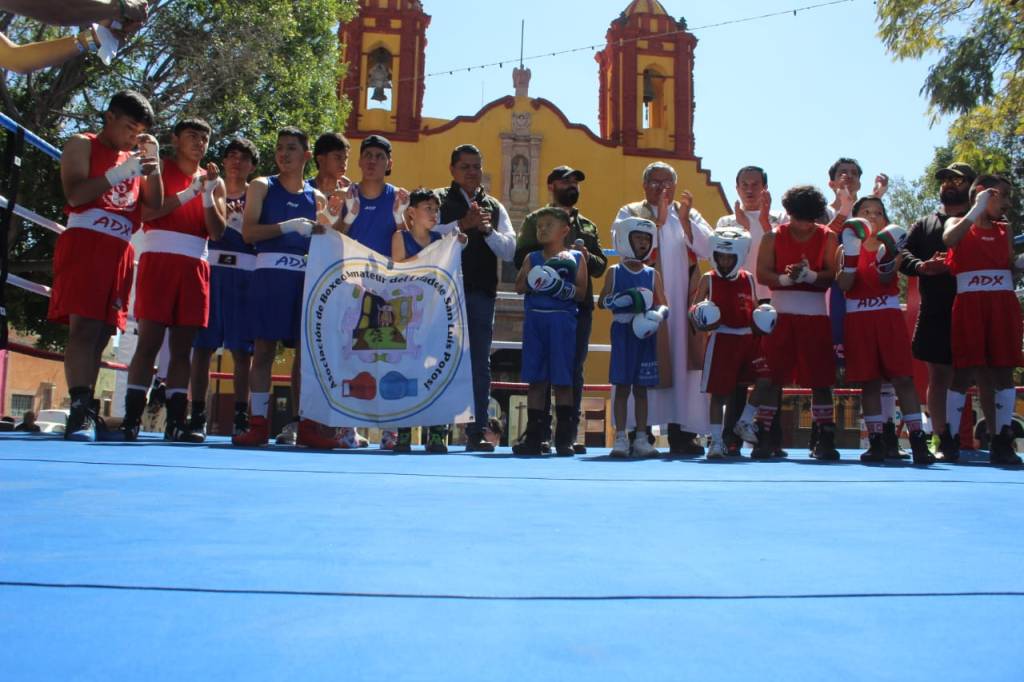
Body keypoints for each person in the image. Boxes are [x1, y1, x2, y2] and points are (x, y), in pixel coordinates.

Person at [49, 90, 162, 440]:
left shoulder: (134, 159)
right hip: (85, 242)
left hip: (120, 250)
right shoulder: (82, 144)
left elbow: (155, 207)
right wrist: (122, 171)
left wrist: (153, 165)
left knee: (101, 334)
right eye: (129, 127)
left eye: (139, 131)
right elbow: (75, 194)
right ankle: (80, 409)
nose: (133, 137)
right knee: (83, 328)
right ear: (110, 117)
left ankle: (85, 404)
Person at [114, 118, 225, 441]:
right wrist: (190, 192)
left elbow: (217, 232)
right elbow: (150, 212)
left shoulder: (213, 181)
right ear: (176, 139)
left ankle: (176, 421)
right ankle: (131, 417)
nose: (199, 143)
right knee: (148, 342)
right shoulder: (157, 168)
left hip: (195, 264)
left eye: (204, 138)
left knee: (182, 348)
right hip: (159, 258)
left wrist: (204, 195)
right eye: (192, 136)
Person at [231, 127, 339, 449]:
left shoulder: (317, 198)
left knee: (306, 356)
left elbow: (327, 243)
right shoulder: (262, 186)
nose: (283, 153)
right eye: (279, 148)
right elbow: (248, 233)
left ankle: (304, 422)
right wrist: (287, 227)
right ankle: (258, 423)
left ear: (306, 155)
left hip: (303, 280)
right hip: (268, 275)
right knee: (263, 350)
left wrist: (338, 219)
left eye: (291, 148)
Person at [614, 162, 713, 455]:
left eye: (667, 183)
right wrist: (656, 222)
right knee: (641, 362)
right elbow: (621, 244)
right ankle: (637, 432)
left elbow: (708, 249)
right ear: (644, 185)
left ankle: (682, 432)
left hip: (682, 305)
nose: (661, 188)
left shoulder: (687, 214)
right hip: (645, 303)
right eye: (655, 182)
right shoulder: (630, 212)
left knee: (682, 363)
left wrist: (683, 221)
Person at [900, 162, 995, 453]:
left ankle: (997, 437)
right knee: (938, 375)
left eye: (957, 179)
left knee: (985, 373)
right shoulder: (925, 223)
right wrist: (922, 266)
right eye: (944, 180)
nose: (949, 185)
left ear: (972, 186)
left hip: (977, 308)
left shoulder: (986, 220)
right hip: (936, 310)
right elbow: (902, 254)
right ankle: (944, 436)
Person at [514, 166, 607, 454]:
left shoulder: (588, 225)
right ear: (551, 185)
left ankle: (567, 435)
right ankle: (537, 435)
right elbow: (521, 259)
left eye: (575, 181)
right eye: (566, 180)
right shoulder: (534, 220)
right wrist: (542, 275)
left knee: (571, 371)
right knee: (538, 376)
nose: (572, 185)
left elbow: (600, 266)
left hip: (575, 311)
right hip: (539, 312)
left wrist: (586, 257)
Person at [837, 198, 933, 464]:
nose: (873, 216)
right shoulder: (845, 248)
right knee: (869, 381)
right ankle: (876, 441)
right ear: (856, 218)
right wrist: (852, 256)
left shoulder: (891, 247)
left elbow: (885, 278)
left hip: (887, 316)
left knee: (903, 378)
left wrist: (887, 257)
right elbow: (845, 284)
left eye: (878, 213)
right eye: (866, 212)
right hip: (858, 318)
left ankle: (918, 442)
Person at [434, 144, 516, 453]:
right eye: (465, 166)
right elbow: (425, 236)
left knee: (480, 364)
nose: (472, 172)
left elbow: (509, 249)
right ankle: (437, 432)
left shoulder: (494, 206)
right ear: (452, 170)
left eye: (476, 166)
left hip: (482, 292)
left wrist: (487, 230)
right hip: (443, 292)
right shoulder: (438, 200)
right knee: (438, 358)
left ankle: (477, 430)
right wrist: (461, 226)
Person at [940, 174, 1022, 465]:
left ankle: (1001, 439)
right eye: (1002, 196)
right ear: (983, 195)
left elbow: (1010, 268)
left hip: (1002, 304)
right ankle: (949, 439)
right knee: (963, 371)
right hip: (970, 304)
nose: (1007, 203)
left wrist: (1020, 264)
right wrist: (976, 208)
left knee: (1003, 370)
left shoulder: (1005, 229)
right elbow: (949, 240)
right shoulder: (956, 224)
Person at [756, 185, 841, 459]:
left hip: (815, 316)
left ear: (817, 217)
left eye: (809, 220)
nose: (803, 226)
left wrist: (809, 276)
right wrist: (786, 278)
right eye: (797, 219)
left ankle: (824, 438)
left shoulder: (828, 237)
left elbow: (832, 276)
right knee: (771, 378)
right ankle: (765, 437)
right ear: (789, 214)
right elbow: (762, 274)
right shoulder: (772, 237)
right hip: (780, 316)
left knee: (821, 379)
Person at [337, 134, 409, 449]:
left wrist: (399, 221)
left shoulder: (399, 198)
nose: (372, 161)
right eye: (367, 155)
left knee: (390, 359)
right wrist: (348, 216)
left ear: (389, 163)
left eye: (379, 156)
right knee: (351, 359)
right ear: (359, 159)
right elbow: (329, 239)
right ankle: (347, 428)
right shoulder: (346, 195)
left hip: (387, 291)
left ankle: (390, 431)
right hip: (350, 289)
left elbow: (409, 246)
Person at [189, 137, 260, 439]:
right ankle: (197, 416)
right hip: (212, 273)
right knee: (202, 347)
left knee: (243, 353)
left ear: (252, 165)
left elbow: (258, 236)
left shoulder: (259, 196)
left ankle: (242, 418)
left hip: (245, 277)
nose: (236, 161)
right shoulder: (209, 189)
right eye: (231, 156)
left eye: (243, 157)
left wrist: (244, 225)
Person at [714, 165, 786, 454]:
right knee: (736, 375)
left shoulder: (780, 218)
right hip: (739, 302)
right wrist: (742, 227)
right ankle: (731, 438)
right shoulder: (726, 220)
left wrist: (763, 223)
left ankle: (768, 441)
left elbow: (784, 254)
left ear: (765, 187)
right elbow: (722, 260)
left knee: (771, 374)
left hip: (772, 302)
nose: (750, 189)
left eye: (755, 183)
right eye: (744, 183)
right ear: (736, 187)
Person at [691, 227, 777, 459]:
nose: (726, 261)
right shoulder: (709, 278)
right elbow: (695, 308)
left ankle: (745, 421)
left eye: (730, 256)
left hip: (749, 339)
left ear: (739, 256)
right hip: (722, 339)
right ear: (715, 255)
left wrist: (762, 316)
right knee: (718, 395)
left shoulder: (747, 278)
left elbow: (755, 305)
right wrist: (700, 315)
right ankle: (716, 442)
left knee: (766, 379)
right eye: (721, 256)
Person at [389, 187, 460, 453]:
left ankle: (438, 431)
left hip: (436, 315)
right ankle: (405, 431)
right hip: (406, 314)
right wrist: (432, 255)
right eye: (428, 208)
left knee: (437, 370)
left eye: (436, 209)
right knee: (406, 371)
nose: (433, 213)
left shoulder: (441, 239)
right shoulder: (400, 237)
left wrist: (453, 245)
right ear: (412, 213)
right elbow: (400, 267)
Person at [512, 207, 587, 455]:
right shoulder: (532, 257)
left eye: (548, 225)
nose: (542, 229)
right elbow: (520, 287)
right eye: (539, 226)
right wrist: (536, 278)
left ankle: (564, 438)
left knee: (563, 380)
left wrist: (558, 286)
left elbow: (581, 293)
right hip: (536, 323)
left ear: (564, 230)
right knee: (536, 381)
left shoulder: (576, 258)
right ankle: (534, 435)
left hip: (562, 323)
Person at [598, 217, 667, 458]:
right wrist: (618, 301)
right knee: (622, 386)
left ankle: (640, 437)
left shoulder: (652, 274)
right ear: (626, 239)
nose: (643, 243)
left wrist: (656, 316)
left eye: (647, 239)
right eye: (638, 238)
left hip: (645, 333)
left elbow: (664, 306)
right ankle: (619, 437)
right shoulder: (614, 272)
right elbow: (601, 302)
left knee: (641, 388)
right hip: (622, 331)